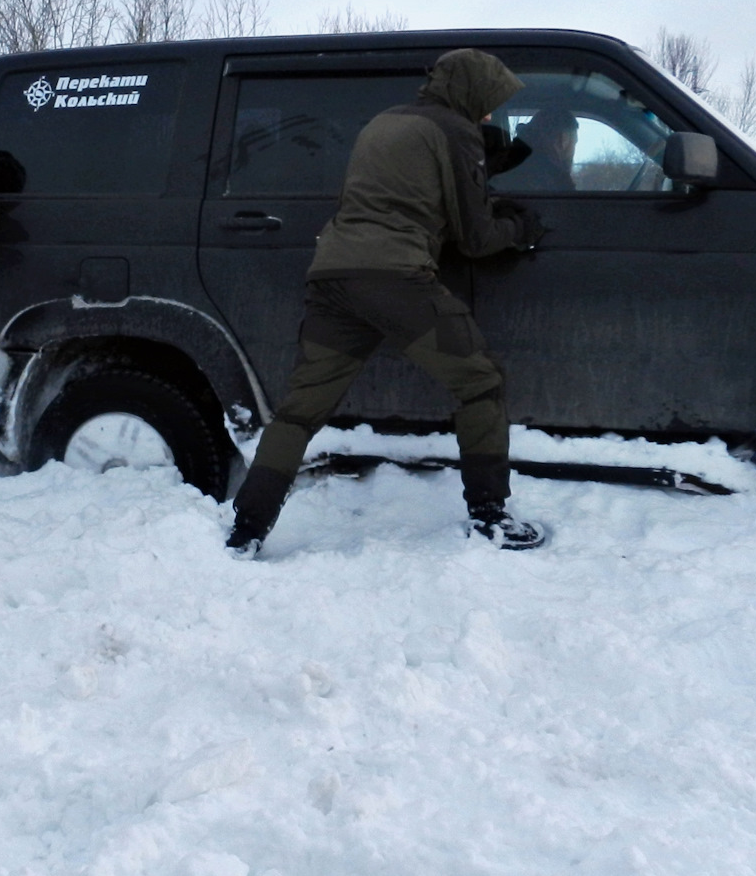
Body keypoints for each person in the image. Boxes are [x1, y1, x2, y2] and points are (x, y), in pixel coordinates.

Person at [226, 48, 549, 555]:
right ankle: (491, 516)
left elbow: (401, 192)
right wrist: (519, 227)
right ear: (470, 93)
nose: (489, 115)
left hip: (332, 276)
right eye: (488, 104)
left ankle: (245, 531)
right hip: (394, 282)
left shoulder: (385, 122)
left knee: (299, 412)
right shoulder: (455, 132)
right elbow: (475, 238)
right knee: (481, 380)